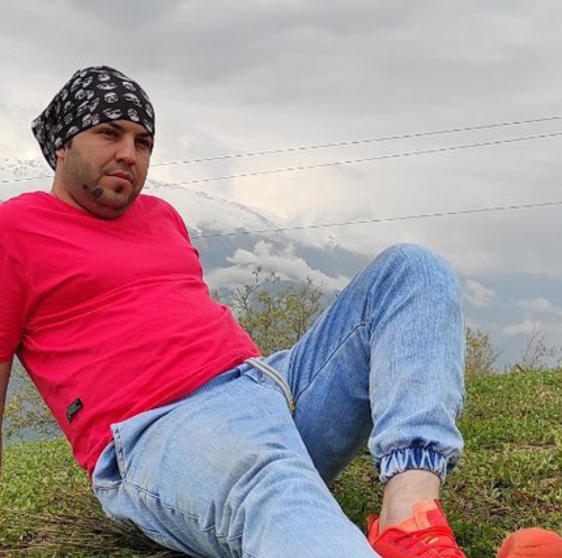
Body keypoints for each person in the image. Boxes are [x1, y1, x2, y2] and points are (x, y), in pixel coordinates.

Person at [0, 65, 476, 558]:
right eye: (108, 133)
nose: (128, 153)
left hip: (268, 385)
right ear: (63, 143)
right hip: (162, 430)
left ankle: (408, 518)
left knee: (412, 269)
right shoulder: (13, 230)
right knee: (273, 490)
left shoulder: (162, 216)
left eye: (143, 142)